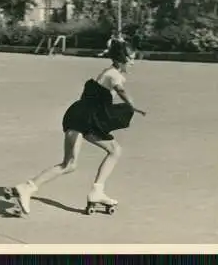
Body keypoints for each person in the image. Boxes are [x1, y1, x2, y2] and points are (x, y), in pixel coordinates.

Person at [10, 40, 147, 215]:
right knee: (69, 164)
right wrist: (133, 106)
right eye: (131, 59)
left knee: (115, 150)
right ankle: (27, 188)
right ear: (121, 59)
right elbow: (120, 90)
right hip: (81, 119)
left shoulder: (111, 73)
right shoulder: (114, 75)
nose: (133, 63)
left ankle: (97, 191)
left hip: (88, 119)